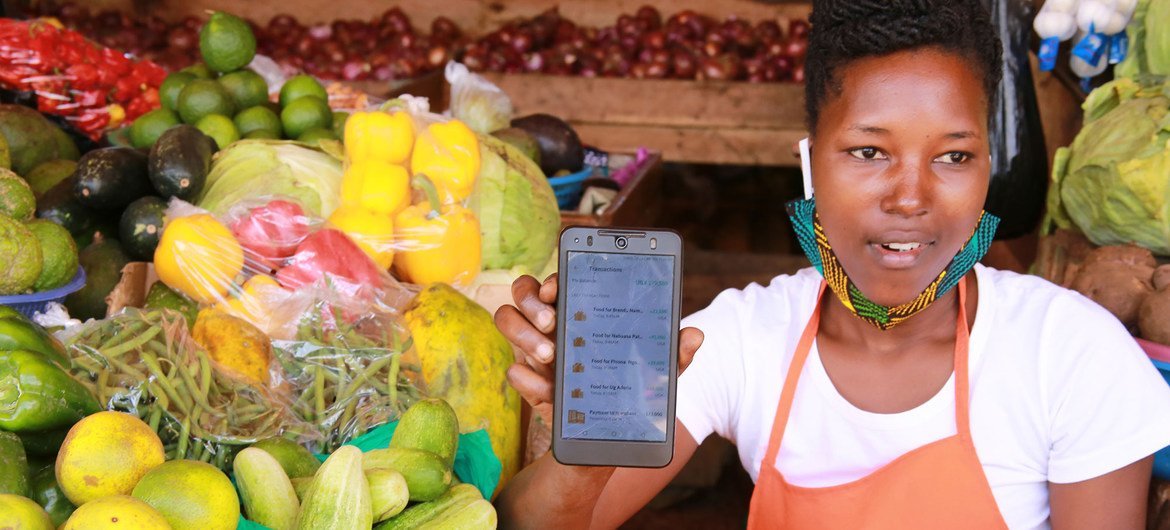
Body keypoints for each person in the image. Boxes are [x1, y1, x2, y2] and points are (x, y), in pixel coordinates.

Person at [492, 0, 1170, 528]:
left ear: (989, 167)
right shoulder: (741, 340)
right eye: (869, 152)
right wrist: (587, 443)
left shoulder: (1074, 354)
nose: (911, 197)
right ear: (811, 162)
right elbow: (532, 524)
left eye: (954, 156)